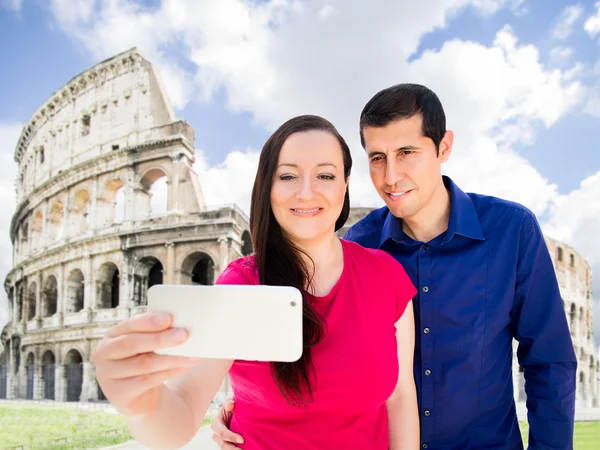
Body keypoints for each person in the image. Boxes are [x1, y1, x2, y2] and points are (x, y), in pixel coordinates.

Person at [211, 84, 578, 449]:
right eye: (377, 157)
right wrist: (245, 410)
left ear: (444, 147)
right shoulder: (352, 250)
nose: (390, 176)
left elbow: (549, 361)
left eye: (406, 152)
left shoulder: (511, 230)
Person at [92, 115, 420, 449]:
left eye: (325, 175)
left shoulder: (387, 276)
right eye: (288, 176)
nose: (306, 192)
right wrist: (141, 404)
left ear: (345, 186)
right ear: (268, 187)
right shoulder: (240, 285)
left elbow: (401, 398)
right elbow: (183, 408)